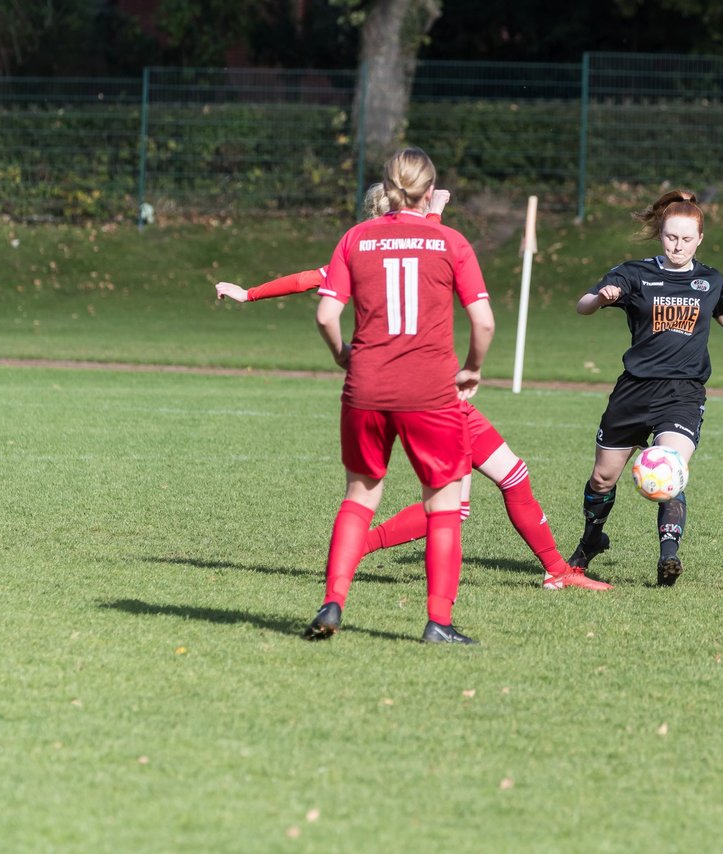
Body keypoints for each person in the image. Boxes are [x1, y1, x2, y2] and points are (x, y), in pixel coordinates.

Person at [215, 191, 610, 593]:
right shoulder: (427, 240)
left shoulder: (362, 246)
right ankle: (554, 571)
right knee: (501, 481)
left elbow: (307, 281)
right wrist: (436, 209)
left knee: (459, 502)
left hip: (382, 383)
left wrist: (248, 293)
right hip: (434, 389)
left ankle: (358, 550)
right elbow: (432, 241)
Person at [569, 189, 723, 587]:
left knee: (671, 469)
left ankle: (669, 557)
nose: (677, 246)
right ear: (660, 234)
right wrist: (600, 297)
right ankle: (592, 541)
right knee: (601, 479)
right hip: (634, 391)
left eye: (685, 239)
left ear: (700, 239)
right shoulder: (633, 274)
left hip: (682, 393)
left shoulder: (709, 279)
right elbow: (582, 305)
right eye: (670, 237)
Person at [306, 147, 494, 644]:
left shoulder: (355, 238)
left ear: (387, 188)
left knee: (360, 495)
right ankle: (438, 622)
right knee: (445, 502)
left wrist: (342, 353)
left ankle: (332, 602)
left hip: (365, 384)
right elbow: (484, 321)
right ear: (430, 192)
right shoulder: (450, 241)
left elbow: (326, 315)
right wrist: (472, 367)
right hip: (430, 390)